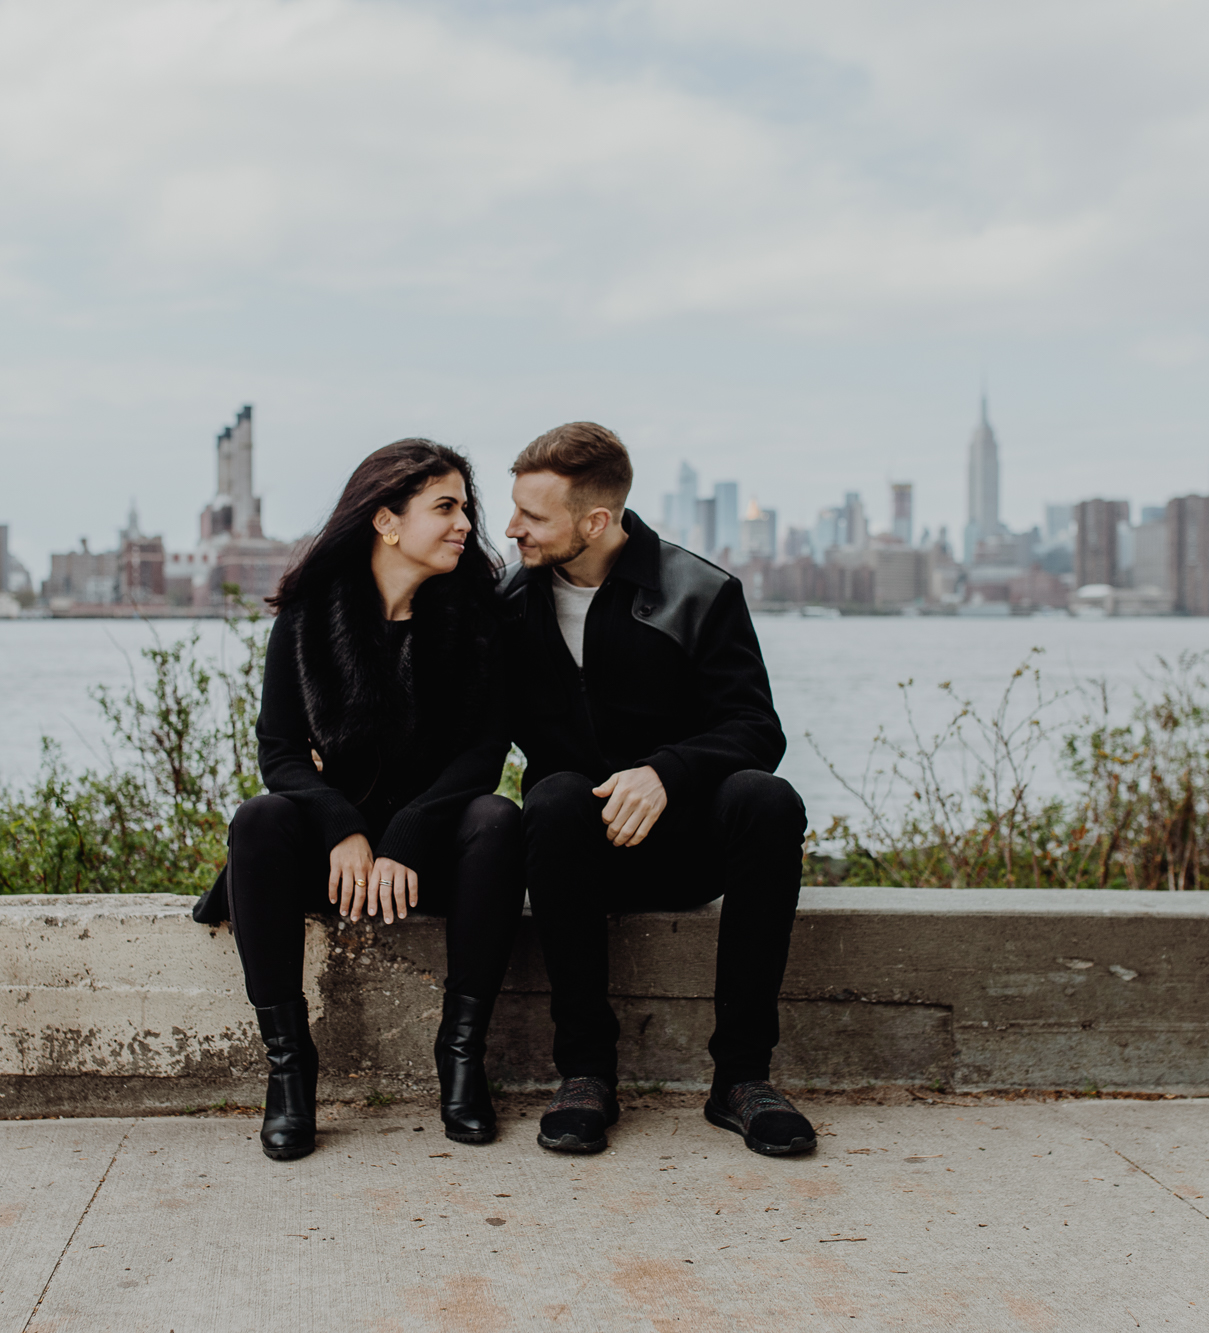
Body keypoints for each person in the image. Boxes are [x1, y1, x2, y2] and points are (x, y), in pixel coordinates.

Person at [500, 422, 814, 1158]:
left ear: (596, 521)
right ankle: (585, 1074)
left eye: (533, 516)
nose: (511, 528)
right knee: (549, 793)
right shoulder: (509, 604)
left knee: (768, 800)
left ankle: (742, 1079)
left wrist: (666, 771)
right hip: (574, 852)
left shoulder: (698, 590)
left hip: (687, 845)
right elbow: (468, 734)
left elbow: (756, 727)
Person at [218, 439, 524, 1161]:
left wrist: (410, 831)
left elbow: (484, 755)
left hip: (436, 846)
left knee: (498, 819)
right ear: (387, 520)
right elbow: (281, 753)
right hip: (337, 853)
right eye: (445, 507)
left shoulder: (477, 618)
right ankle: (290, 1070)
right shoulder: (309, 616)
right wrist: (344, 828)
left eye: (465, 508)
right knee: (259, 819)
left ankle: (461, 1060)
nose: (463, 523)